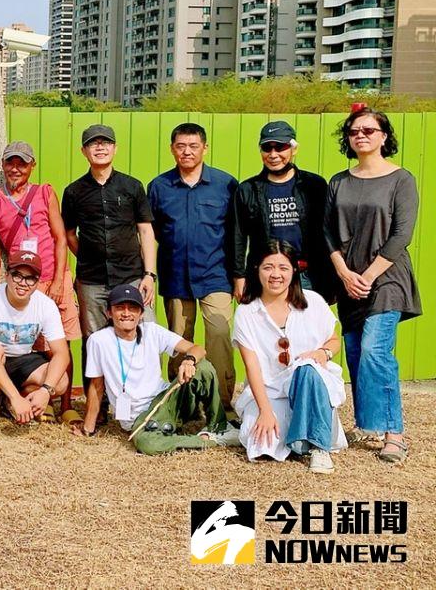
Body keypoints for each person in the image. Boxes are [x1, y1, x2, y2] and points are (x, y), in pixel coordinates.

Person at [325, 108, 420, 463]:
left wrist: (367, 275)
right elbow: (328, 232)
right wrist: (345, 274)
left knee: (375, 352)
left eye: (368, 129)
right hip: (349, 280)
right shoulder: (339, 181)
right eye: (353, 131)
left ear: (383, 136)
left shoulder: (401, 179)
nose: (360, 135)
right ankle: (368, 425)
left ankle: (394, 434)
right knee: (354, 354)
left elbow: (401, 235)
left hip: (387, 278)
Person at [0, 141, 80, 417]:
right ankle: (33, 402)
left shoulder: (44, 193)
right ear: (3, 165)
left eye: (22, 163)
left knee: (61, 343)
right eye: (10, 162)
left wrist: (59, 280)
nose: (15, 168)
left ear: (31, 166)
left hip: (51, 275)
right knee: (34, 345)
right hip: (20, 280)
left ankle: (66, 405)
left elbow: (60, 238)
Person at [76, 285, 239, 455]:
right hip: (138, 419)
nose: (126, 313)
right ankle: (208, 440)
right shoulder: (98, 341)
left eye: (132, 308)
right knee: (148, 444)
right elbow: (96, 386)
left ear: (141, 314)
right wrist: (88, 428)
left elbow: (198, 349)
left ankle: (219, 426)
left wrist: (189, 361)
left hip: (167, 400)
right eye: (119, 308)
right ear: (109, 313)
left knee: (203, 367)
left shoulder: (151, 331)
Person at [146, 122, 238, 412]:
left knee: (220, 337)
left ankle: (222, 405)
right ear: (172, 148)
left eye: (193, 146)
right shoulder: (159, 186)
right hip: (175, 276)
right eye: (181, 146)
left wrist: (239, 275)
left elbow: (236, 233)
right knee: (177, 340)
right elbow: (153, 232)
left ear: (205, 148)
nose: (187, 151)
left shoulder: (225, 184)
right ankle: (179, 403)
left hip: (216, 275)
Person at [233, 242, 347, 473]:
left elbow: (334, 341)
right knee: (261, 444)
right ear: (257, 269)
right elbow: (252, 366)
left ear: (294, 270)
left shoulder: (313, 301)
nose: (276, 274)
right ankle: (296, 437)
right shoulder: (246, 312)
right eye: (268, 267)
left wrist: (322, 353)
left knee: (306, 367)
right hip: (271, 391)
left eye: (283, 268)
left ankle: (318, 446)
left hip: (311, 389)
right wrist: (265, 411)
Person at [61, 124, 156, 393]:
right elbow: (69, 234)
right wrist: (90, 255)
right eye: (93, 143)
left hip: (132, 276)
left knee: (145, 335)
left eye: (105, 143)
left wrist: (149, 274)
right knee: (94, 339)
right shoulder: (74, 192)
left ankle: (144, 397)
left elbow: (145, 230)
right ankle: (97, 404)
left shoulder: (132, 186)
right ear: (84, 151)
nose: (100, 147)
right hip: (92, 280)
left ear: (114, 148)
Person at [230, 120, 337, 303]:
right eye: (267, 148)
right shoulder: (248, 189)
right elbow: (237, 236)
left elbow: (330, 231)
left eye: (280, 147)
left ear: (293, 149)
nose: (273, 154)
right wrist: (239, 277)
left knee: (310, 331)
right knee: (268, 330)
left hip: (307, 276)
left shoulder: (314, 185)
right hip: (265, 276)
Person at [0, 250, 73, 431]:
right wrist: (15, 397)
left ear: (37, 281)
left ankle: (14, 402)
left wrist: (45, 391)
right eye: (17, 276)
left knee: (61, 381)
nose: (23, 283)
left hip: (22, 360)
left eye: (30, 278)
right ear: (6, 275)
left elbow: (62, 354)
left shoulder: (45, 305)